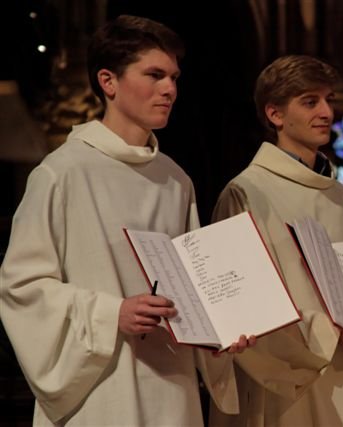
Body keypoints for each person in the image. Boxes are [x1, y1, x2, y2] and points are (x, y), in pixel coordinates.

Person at [0, 15, 252, 426]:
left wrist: (219, 332)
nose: (169, 89)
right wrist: (111, 313)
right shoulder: (62, 174)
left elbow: (192, 287)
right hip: (101, 391)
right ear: (108, 81)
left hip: (172, 389)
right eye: (154, 74)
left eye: (173, 77)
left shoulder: (175, 179)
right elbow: (21, 288)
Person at [211, 55, 343, 426]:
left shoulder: (339, 197)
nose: (327, 112)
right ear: (275, 115)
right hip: (280, 384)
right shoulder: (246, 192)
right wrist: (328, 334)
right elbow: (237, 305)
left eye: (329, 99)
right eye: (310, 101)